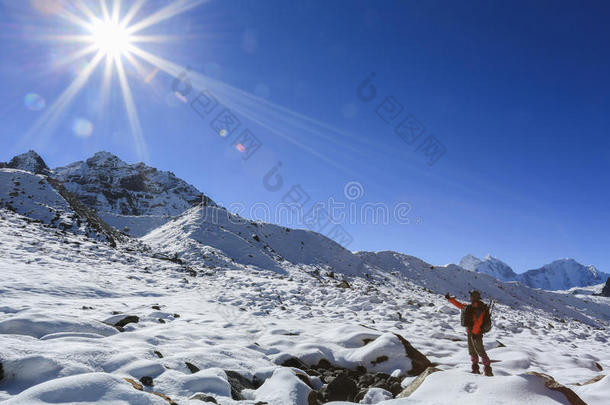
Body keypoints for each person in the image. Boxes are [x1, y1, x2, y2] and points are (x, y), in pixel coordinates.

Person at [445, 290, 493, 376]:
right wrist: (450, 299)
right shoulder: (470, 307)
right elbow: (460, 306)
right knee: (472, 351)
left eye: (471, 296)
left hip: (476, 333)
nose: (470, 297)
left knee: (480, 351)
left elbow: (478, 322)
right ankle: (475, 369)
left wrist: (474, 333)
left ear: (475, 297)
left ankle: (488, 371)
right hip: (471, 332)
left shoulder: (480, 308)